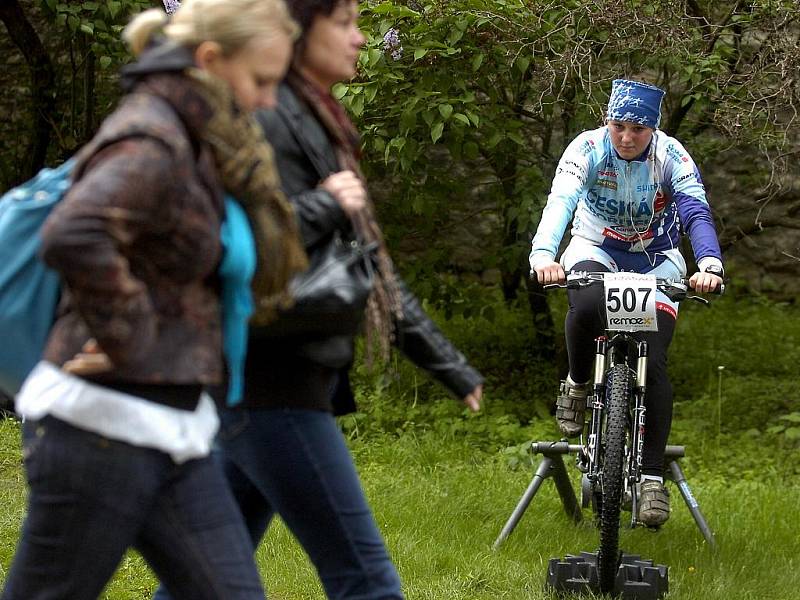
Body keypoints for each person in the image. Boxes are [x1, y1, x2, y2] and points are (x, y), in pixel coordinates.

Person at [153, 1, 484, 599]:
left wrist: (447, 364)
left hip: (271, 377)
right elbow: (241, 243)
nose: (361, 38)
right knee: (366, 581)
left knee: (200, 582)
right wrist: (327, 204)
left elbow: (362, 259)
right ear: (302, 32)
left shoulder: (315, 117)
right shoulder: (273, 116)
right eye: (346, 22)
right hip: (275, 375)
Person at [1, 1, 303, 598]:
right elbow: (73, 232)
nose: (269, 100)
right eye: (261, 80)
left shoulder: (193, 135)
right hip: (99, 431)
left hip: (172, 426)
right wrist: (131, 336)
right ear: (212, 61)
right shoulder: (154, 137)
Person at [529, 79, 724, 527]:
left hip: (656, 259)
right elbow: (561, 202)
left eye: (638, 128)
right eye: (618, 126)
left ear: (653, 129)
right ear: (607, 122)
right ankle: (578, 384)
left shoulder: (672, 156)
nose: (627, 137)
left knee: (653, 362)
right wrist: (544, 256)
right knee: (585, 305)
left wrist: (709, 264)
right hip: (595, 247)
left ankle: (652, 480)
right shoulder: (587, 149)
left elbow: (695, 211)